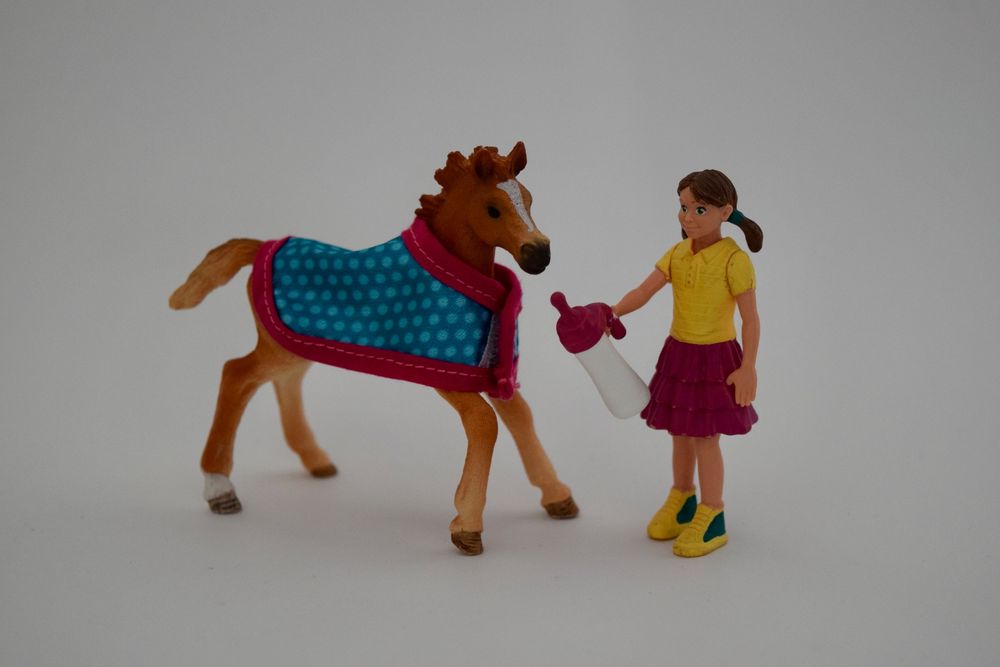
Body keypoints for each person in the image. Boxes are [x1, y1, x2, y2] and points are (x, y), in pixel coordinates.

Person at [611, 169, 763, 557]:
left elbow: (750, 319)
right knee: (680, 432)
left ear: (725, 212)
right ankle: (683, 497)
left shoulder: (734, 260)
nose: (688, 217)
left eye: (699, 209)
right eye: (683, 207)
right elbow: (643, 290)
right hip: (680, 354)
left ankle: (713, 513)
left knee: (705, 438)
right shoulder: (677, 254)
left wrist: (748, 366)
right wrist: (612, 313)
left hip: (716, 359)